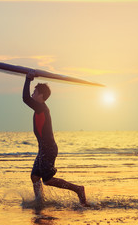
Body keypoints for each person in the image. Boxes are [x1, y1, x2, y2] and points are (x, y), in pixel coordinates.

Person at [22, 70, 88, 206]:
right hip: (43, 149)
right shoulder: (39, 108)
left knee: (47, 180)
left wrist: (28, 79)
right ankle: (40, 200)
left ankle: (78, 189)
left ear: (41, 95)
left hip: (48, 148)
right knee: (34, 177)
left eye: (34, 92)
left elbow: (25, 99)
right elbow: (28, 98)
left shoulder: (41, 108)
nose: (32, 95)